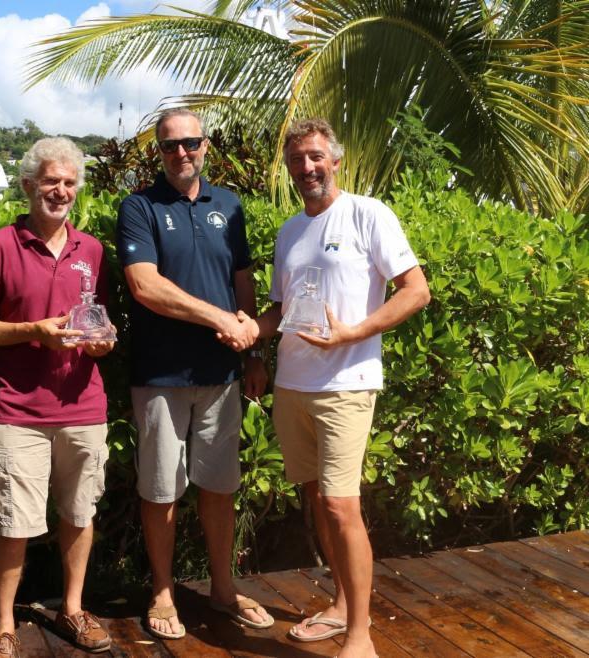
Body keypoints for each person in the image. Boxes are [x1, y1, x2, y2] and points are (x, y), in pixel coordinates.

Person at [244, 119, 430, 658]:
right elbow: (280, 311)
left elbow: (415, 291)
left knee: (341, 504)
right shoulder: (287, 231)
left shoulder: (368, 214)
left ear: (336, 160)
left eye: (316, 157)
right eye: (298, 160)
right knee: (316, 501)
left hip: (347, 384)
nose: (307, 168)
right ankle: (343, 604)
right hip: (292, 384)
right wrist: (247, 337)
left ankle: (360, 636)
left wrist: (353, 332)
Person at [115, 108, 273, 639]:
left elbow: (242, 278)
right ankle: (162, 591)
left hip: (223, 373)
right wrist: (220, 319)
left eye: (191, 143)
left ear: (206, 146)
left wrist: (253, 351)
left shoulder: (228, 204)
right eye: (169, 146)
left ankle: (222, 588)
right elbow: (145, 286)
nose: (181, 153)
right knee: (161, 488)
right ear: (158, 152)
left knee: (220, 484)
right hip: (160, 374)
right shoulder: (139, 207)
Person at [0, 137, 115, 657]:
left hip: (84, 407)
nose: (61, 190)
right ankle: (4, 626)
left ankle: (72, 610)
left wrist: (102, 341)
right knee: (12, 522)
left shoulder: (91, 250)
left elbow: (98, 325)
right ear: (28, 185)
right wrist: (33, 330)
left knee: (79, 514)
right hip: (20, 411)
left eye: (70, 182)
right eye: (51, 181)